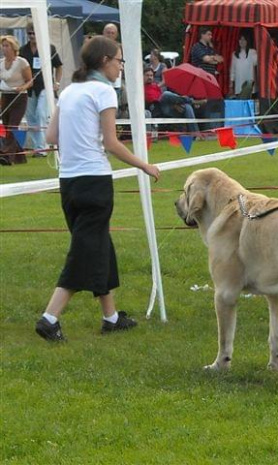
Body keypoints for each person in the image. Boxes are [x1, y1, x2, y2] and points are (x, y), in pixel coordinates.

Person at [35, 36, 160, 342]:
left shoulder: (69, 92)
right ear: (105, 61)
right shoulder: (104, 91)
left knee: (99, 245)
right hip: (94, 182)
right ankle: (50, 318)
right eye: (119, 60)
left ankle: (111, 317)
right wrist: (144, 165)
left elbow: (51, 136)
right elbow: (112, 143)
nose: (120, 67)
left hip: (69, 183)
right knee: (85, 251)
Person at [20, 24, 63, 158]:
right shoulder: (23, 50)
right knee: (31, 118)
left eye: (34, 33)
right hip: (29, 87)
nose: (32, 36)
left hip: (45, 86)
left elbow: (59, 66)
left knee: (41, 114)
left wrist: (56, 82)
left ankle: (43, 148)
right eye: (29, 33)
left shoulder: (49, 48)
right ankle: (38, 147)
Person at [0, 35, 33, 166]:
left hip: (19, 97)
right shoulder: (1, 63)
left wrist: (22, 87)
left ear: (13, 48)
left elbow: (30, 81)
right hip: (5, 96)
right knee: (6, 124)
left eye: (7, 46)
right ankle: (20, 157)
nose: (4, 48)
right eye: (3, 46)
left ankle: (6, 156)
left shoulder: (22, 62)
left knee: (12, 126)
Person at [143, 67, 202, 135]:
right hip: (155, 108)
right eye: (147, 75)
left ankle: (196, 133)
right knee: (165, 94)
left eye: (151, 75)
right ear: (143, 76)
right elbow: (154, 99)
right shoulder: (141, 87)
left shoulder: (155, 86)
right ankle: (192, 101)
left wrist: (174, 104)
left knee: (187, 106)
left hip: (166, 106)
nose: (149, 77)